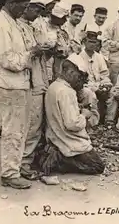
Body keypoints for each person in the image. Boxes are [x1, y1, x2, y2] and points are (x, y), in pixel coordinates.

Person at [0, 0, 41, 189]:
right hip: (10, 84)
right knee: (13, 130)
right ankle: (9, 174)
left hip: (18, 83)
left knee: (19, 129)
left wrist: (29, 52)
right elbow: (7, 58)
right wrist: (31, 54)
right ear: (11, 4)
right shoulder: (1, 25)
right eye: (23, 6)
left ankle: (14, 169)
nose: (25, 10)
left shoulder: (12, 22)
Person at [39, 55, 106, 183]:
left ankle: (56, 154)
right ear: (70, 72)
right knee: (97, 166)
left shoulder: (54, 86)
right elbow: (72, 124)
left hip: (56, 137)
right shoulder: (66, 92)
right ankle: (59, 159)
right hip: (68, 141)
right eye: (79, 77)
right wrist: (84, 115)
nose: (79, 81)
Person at [17, 0, 51, 180]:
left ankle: (30, 158)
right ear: (27, 8)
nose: (38, 15)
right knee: (32, 123)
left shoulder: (31, 26)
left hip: (39, 77)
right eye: (36, 10)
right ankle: (24, 163)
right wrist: (35, 50)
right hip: (29, 82)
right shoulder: (18, 27)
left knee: (37, 122)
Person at [77, 31, 115, 125]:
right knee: (90, 94)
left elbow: (104, 74)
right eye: (90, 42)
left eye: (94, 42)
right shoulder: (79, 56)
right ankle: (92, 123)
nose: (92, 45)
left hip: (99, 84)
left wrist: (106, 85)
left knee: (113, 92)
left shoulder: (99, 57)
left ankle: (109, 120)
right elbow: (80, 79)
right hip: (85, 86)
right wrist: (95, 88)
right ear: (84, 42)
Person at [34, 1, 72, 82]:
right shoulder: (41, 25)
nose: (65, 20)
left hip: (59, 66)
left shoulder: (64, 29)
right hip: (44, 65)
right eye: (63, 18)